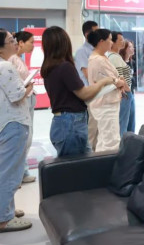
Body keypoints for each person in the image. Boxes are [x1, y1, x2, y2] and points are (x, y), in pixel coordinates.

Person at [41, 26, 115, 156]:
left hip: (63, 122)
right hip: (71, 123)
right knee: (75, 165)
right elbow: (84, 93)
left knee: (80, 162)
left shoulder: (49, 67)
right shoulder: (65, 67)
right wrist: (103, 82)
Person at [0, 29, 33, 233]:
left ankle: (6, 210)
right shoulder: (6, 66)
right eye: (11, 40)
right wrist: (27, 88)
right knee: (10, 172)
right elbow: (17, 95)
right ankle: (3, 218)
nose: (15, 43)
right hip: (14, 122)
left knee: (5, 169)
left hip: (5, 122)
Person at [87, 29, 129, 151]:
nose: (111, 42)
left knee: (104, 140)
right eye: (110, 39)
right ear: (101, 41)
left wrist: (118, 81)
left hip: (107, 103)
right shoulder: (98, 60)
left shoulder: (101, 57)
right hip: (106, 104)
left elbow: (114, 79)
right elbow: (113, 81)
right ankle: (108, 163)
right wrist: (120, 82)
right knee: (111, 142)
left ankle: (102, 162)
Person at [9, 31, 36, 184]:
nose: (33, 45)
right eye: (31, 42)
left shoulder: (19, 58)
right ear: (20, 43)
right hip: (22, 99)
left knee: (27, 137)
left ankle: (21, 172)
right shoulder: (11, 60)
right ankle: (19, 174)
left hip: (28, 98)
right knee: (24, 137)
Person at [74, 21, 100, 149]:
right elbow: (88, 74)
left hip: (99, 94)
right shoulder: (82, 51)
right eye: (96, 31)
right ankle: (90, 156)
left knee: (99, 130)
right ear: (87, 34)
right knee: (92, 130)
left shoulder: (97, 50)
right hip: (91, 94)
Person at [107, 32, 134, 137]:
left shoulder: (114, 56)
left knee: (123, 124)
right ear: (113, 43)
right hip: (123, 94)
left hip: (123, 94)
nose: (123, 42)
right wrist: (128, 91)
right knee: (122, 126)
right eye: (120, 40)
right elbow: (119, 78)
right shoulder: (114, 57)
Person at [119, 40, 136, 133]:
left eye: (132, 46)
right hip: (125, 94)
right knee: (124, 121)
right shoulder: (121, 63)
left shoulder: (132, 62)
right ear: (124, 49)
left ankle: (131, 138)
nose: (132, 48)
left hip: (131, 93)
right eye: (130, 47)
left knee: (132, 120)